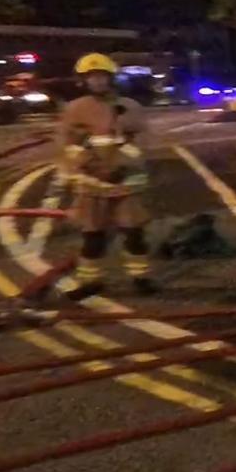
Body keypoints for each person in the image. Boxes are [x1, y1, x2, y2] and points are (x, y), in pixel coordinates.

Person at [58, 52, 153, 299]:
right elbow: (69, 145)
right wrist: (92, 166)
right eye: (92, 77)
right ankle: (91, 282)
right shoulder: (75, 109)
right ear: (83, 81)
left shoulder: (130, 107)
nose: (97, 81)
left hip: (126, 182)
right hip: (93, 184)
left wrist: (122, 166)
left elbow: (140, 142)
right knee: (93, 236)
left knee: (133, 234)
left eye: (102, 76)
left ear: (111, 78)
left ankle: (141, 278)